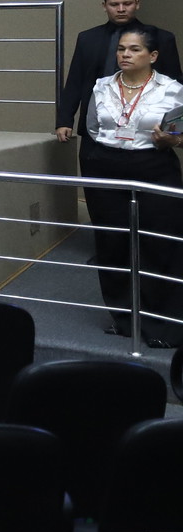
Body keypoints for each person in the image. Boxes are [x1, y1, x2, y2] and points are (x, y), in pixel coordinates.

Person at [76, 25, 183, 345]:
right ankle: (123, 317)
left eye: (134, 49)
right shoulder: (101, 87)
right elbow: (93, 127)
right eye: (122, 49)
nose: (125, 54)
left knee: (159, 244)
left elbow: (178, 136)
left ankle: (163, 323)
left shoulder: (172, 89)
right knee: (112, 244)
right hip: (106, 168)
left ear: (152, 56)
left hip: (154, 166)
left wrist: (171, 140)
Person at [56, 0, 183, 142]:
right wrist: (64, 120)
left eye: (127, 3)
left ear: (137, 4)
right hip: (98, 122)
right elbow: (75, 80)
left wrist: (176, 128)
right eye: (114, 4)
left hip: (147, 126)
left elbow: (175, 84)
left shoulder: (162, 38)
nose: (121, 9)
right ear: (104, 6)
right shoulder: (88, 39)